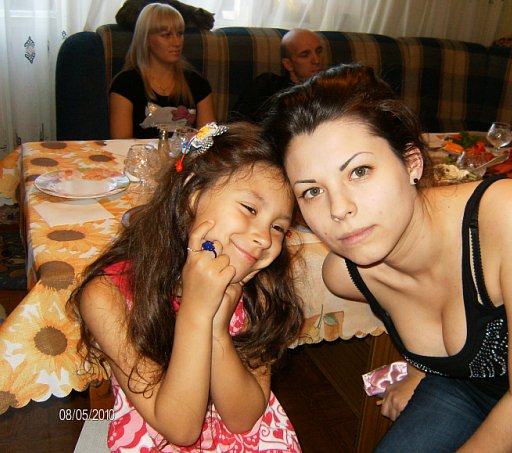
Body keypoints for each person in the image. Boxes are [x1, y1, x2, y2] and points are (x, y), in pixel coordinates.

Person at [264, 64, 512, 451]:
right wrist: (419, 369)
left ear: (411, 162)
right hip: (466, 390)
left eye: (359, 171)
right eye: (311, 191)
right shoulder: (346, 274)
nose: (339, 209)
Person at [68, 122, 303, 452]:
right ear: (193, 193)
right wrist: (197, 310)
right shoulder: (108, 295)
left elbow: (243, 419)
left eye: (278, 227)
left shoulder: (255, 289)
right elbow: (181, 428)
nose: (264, 238)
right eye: (250, 209)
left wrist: (218, 329)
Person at [109, 3, 216, 139]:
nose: (177, 42)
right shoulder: (125, 84)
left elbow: (208, 139)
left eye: (179, 34)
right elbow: (120, 142)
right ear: (146, 39)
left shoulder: (198, 84)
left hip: (185, 153)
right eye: (166, 35)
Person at [230, 28, 324, 123]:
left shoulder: (327, 89)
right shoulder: (267, 86)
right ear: (288, 64)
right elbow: (235, 124)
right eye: (305, 55)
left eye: (319, 51)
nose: (316, 60)